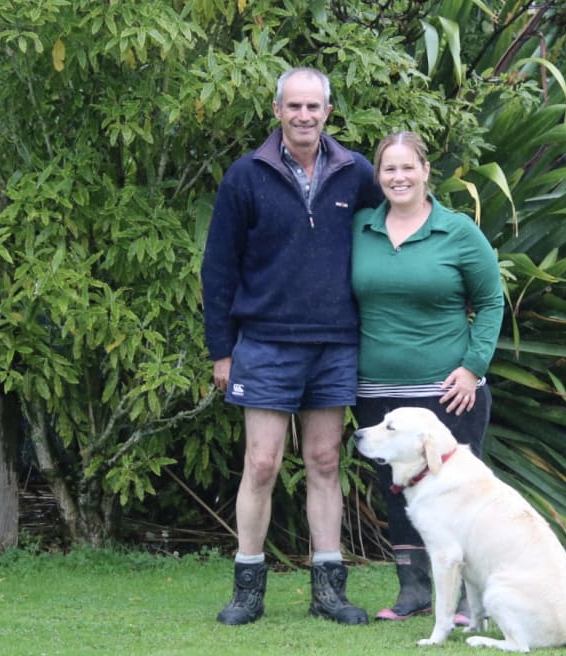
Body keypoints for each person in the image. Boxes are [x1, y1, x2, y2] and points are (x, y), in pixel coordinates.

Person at [201, 66, 383, 626]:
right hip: (264, 343)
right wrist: (221, 351)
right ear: (277, 111)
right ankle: (247, 589)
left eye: (315, 107)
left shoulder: (355, 173)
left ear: (329, 111)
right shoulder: (245, 175)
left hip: (334, 343)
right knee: (261, 464)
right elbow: (218, 268)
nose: (305, 116)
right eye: (294, 106)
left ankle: (329, 591)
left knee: (326, 461)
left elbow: (392, 233)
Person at [349, 131, 504, 622]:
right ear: (378, 177)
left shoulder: (457, 230)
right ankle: (413, 591)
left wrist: (473, 367)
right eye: (388, 169)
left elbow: (492, 299)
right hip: (377, 391)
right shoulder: (360, 228)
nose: (398, 177)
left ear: (425, 170)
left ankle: (465, 600)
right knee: (397, 490)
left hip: (448, 392)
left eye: (406, 167)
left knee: (458, 496)